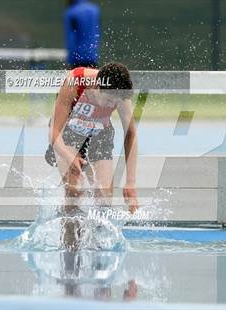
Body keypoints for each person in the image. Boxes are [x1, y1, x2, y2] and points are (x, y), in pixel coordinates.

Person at [48, 63, 138, 250]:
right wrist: (69, 157)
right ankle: (70, 247)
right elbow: (54, 133)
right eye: (110, 99)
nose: (113, 104)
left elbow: (131, 135)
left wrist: (130, 182)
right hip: (69, 133)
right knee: (74, 192)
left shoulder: (120, 94)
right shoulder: (75, 82)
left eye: (116, 100)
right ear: (98, 85)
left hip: (99, 134)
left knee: (104, 199)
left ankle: (97, 248)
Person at [64, 0, 101, 69]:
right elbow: (96, 33)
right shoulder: (95, 10)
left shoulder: (72, 12)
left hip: (77, 58)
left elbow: (71, 38)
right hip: (93, 56)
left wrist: (69, 60)